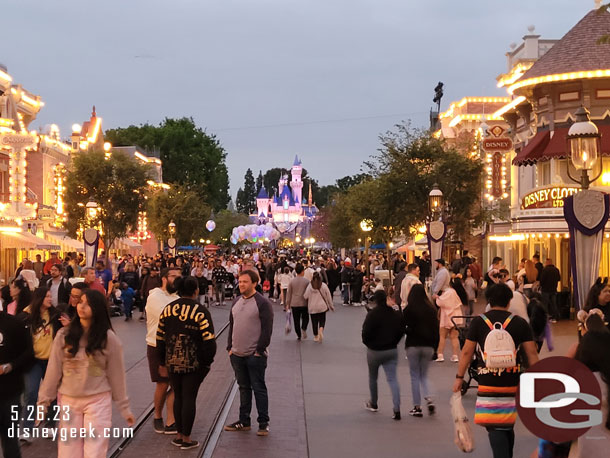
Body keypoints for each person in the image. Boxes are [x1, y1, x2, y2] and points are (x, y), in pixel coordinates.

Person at [38, 289, 135, 457]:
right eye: (80, 301)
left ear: (97, 309)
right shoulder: (64, 335)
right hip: (69, 400)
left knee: (95, 452)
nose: (82, 306)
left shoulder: (108, 338)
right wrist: (43, 403)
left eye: (88, 304)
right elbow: (53, 371)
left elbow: (116, 375)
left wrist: (124, 407)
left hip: (97, 400)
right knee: (68, 453)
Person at [452, 283, 539, 458]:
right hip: (512, 380)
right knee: (507, 422)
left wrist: (459, 377)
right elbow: (531, 353)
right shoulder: (520, 323)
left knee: (494, 424)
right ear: (509, 301)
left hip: (488, 380)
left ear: (489, 301)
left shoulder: (479, 322)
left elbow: (467, 352)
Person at [156, 276, 216, 450]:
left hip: (172, 361)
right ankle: (187, 439)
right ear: (195, 290)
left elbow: (160, 337)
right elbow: (209, 341)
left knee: (178, 396)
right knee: (189, 398)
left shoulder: (168, 309)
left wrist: (162, 361)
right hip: (194, 363)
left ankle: (179, 435)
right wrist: (207, 362)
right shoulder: (201, 311)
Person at [224, 270, 274, 436]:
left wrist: (260, 349)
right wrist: (230, 347)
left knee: (258, 388)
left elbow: (267, 330)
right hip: (237, 354)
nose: (242, 284)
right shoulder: (236, 301)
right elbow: (232, 325)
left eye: (245, 281)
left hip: (255, 355)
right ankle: (244, 421)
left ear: (254, 283)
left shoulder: (262, 303)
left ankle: (263, 422)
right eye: (240, 281)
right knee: (243, 387)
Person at [18, 287, 62, 436]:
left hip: (51, 361)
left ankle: (50, 425)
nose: (50, 299)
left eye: (50, 296)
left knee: (52, 394)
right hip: (34, 361)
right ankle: (26, 429)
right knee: (31, 393)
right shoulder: (26, 316)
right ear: (39, 299)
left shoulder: (56, 315)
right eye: (47, 297)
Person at [145, 267, 181, 434]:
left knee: (176, 383)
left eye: (179, 276)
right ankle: (157, 415)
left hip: (176, 345)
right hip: (157, 345)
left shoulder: (176, 296)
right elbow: (168, 317)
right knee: (163, 383)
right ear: (164, 278)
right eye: (174, 276)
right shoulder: (155, 296)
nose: (177, 279)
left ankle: (171, 419)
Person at [361, 290, 404, 420]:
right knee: (392, 379)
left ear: (375, 300)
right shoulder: (394, 314)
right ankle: (397, 409)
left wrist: (369, 344)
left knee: (373, 377)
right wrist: (394, 342)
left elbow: (365, 333)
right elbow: (401, 330)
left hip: (374, 351)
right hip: (391, 350)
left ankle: (374, 403)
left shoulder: (372, 315)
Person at [0, 307, 34, 458]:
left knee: (10, 440)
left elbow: (28, 353)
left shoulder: (13, 324)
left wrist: (10, 366)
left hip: (11, 392)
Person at [403, 284, 439, 417]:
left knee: (414, 376)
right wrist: (435, 348)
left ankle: (417, 407)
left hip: (413, 344)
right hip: (428, 346)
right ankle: (429, 398)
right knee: (424, 375)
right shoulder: (431, 310)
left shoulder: (408, 309)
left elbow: (403, 326)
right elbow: (436, 330)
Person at [433, 280, 463, 362]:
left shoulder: (448, 292)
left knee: (442, 336)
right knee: (454, 337)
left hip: (446, 317)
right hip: (455, 317)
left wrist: (436, 297)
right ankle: (455, 355)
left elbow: (440, 302)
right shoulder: (455, 293)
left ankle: (440, 355)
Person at [304, 271, 334, 342]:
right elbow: (328, 296)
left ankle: (316, 336)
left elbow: (305, 296)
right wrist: (331, 305)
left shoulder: (310, 286)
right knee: (322, 320)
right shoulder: (323, 285)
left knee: (314, 321)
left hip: (312, 306)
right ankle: (321, 330)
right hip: (322, 306)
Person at [286, 263, 310, 340]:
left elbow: (289, 293)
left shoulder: (292, 281)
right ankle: (303, 328)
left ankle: (298, 334)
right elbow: (309, 293)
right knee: (305, 317)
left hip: (294, 303)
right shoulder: (307, 281)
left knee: (296, 320)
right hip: (304, 302)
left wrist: (287, 304)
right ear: (302, 271)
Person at [540, 258, 561, 323]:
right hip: (554, 289)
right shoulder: (556, 270)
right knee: (554, 304)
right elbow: (559, 279)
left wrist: (541, 285)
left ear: (547, 262)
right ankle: (555, 317)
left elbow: (542, 280)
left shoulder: (545, 270)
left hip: (545, 290)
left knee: (545, 304)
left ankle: (546, 318)